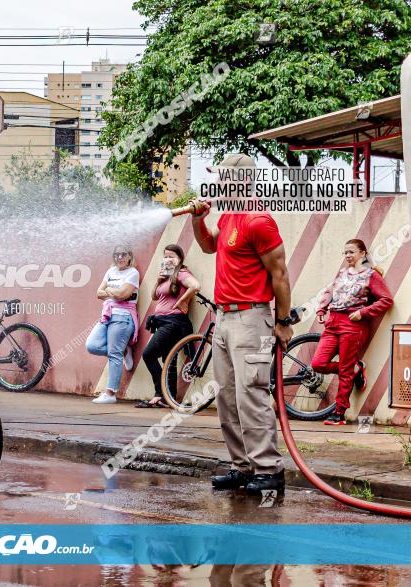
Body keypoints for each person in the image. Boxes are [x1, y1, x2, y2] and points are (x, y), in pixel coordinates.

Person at [190, 153, 293, 495]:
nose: (216, 183)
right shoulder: (229, 215)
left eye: (221, 177)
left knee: (251, 394)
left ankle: (269, 470)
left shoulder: (257, 220)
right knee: (227, 396)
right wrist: (198, 220)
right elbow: (208, 246)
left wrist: (282, 323)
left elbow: (280, 275)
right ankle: (242, 467)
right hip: (224, 316)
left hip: (252, 318)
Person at [312, 239, 393, 426]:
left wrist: (363, 312)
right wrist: (321, 310)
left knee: (345, 370)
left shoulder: (371, 275)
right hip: (332, 323)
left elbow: (386, 300)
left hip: (352, 324)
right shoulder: (341, 273)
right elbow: (329, 292)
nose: (348, 256)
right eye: (345, 252)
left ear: (362, 254)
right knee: (318, 363)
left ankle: (339, 412)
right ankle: (356, 369)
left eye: (351, 252)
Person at [138, 244, 201, 408]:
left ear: (180, 258)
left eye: (172, 256)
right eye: (165, 256)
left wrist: (182, 300)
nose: (168, 259)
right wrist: (158, 281)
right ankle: (169, 398)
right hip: (163, 322)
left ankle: (160, 393)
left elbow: (195, 286)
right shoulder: (167, 276)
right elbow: (154, 296)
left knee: (149, 354)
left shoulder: (181, 273)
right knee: (168, 361)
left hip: (174, 322)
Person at [87, 245, 140, 404]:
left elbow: (123, 294)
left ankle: (110, 394)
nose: (119, 257)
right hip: (107, 315)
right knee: (92, 345)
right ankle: (123, 351)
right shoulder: (110, 271)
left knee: (113, 354)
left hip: (123, 318)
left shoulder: (133, 273)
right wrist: (115, 294)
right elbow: (98, 293)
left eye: (123, 254)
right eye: (116, 254)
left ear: (129, 256)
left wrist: (109, 291)